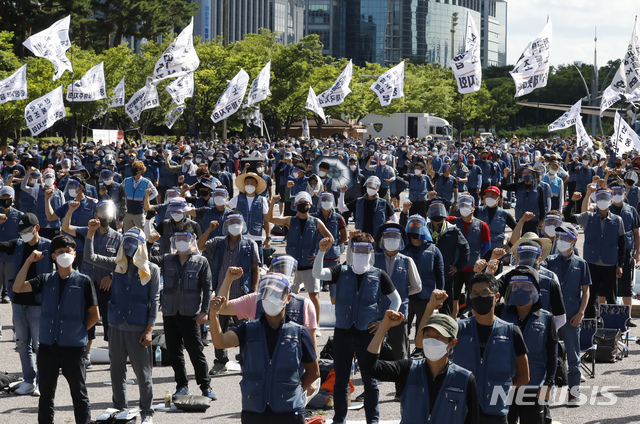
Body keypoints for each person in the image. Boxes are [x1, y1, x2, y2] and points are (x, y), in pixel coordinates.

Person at [313, 233, 402, 424]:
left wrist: (383, 321)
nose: (361, 253)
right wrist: (321, 252)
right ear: (352, 250)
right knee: (341, 381)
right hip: (343, 333)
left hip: (367, 334)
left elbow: (397, 300)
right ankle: (339, 420)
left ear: (371, 252)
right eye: (358, 249)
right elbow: (317, 274)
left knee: (370, 381)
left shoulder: (379, 275)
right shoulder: (341, 271)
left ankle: (373, 420)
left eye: (365, 249)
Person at [417, 276, 530, 424]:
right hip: (460, 410)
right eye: (475, 294)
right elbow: (420, 343)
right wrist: (430, 306)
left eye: (484, 292)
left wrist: (502, 390)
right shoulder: (459, 328)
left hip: (495, 413)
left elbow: (524, 375)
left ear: (496, 297)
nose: (479, 297)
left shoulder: (511, 332)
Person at [209, 273, 320, 423]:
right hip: (254, 410)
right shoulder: (248, 329)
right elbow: (220, 342)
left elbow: (314, 372)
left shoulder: (299, 333)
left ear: (288, 298)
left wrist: (295, 391)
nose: (271, 297)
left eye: (277, 293)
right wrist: (214, 315)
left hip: (289, 412)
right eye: (267, 292)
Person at [13, 235, 99, 424]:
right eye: (60, 252)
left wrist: (78, 331)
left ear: (75, 254)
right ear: (53, 256)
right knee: (45, 398)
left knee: (80, 396)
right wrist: (28, 261)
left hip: (74, 350)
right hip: (48, 349)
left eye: (68, 251)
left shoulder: (84, 281)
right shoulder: (45, 280)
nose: (65, 255)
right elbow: (18, 287)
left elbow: (95, 315)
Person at [84, 226, 160, 424]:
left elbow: (154, 301)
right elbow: (90, 257)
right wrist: (90, 234)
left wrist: (150, 330)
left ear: (141, 246)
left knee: (144, 375)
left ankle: (147, 411)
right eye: (125, 243)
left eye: (132, 244)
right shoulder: (116, 265)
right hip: (116, 327)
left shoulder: (151, 270)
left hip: (139, 329)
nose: (128, 247)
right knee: (117, 373)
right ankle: (119, 407)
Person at [362, 310, 479, 424]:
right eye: (427, 336)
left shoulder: (465, 379)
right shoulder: (408, 369)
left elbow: (473, 420)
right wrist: (384, 327)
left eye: (438, 337)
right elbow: (369, 367)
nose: (431, 341)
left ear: (452, 343)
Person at [198, 213, 261, 374]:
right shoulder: (218, 242)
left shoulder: (250, 244)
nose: (235, 225)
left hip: (242, 295)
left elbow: (255, 268)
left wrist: (254, 290)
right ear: (226, 226)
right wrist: (209, 229)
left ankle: (246, 361)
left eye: (237, 222)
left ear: (243, 224)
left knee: (246, 331)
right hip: (222, 294)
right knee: (219, 329)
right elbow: (199, 246)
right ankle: (220, 361)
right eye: (231, 222)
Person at [214, 257, 318, 350]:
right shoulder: (254, 299)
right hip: (260, 365)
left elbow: (311, 347)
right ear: (269, 273)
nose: (283, 274)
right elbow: (224, 308)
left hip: (290, 366)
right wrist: (228, 280)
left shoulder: (304, 305)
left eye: (289, 271)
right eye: (279, 270)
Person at [63, 200, 122, 362]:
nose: (104, 216)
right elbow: (66, 228)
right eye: (101, 213)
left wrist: (110, 276)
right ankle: (86, 354)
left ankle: (113, 354)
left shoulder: (118, 238)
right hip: (88, 282)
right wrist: (70, 211)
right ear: (95, 215)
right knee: (87, 317)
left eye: (107, 213)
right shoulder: (88, 231)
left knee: (110, 319)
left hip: (106, 285)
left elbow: (122, 262)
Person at [161, 224, 216, 399]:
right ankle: (182, 385)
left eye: (185, 238)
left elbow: (208, 288)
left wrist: (204, 311)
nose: (181, 242)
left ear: (191, 240)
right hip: (170, 313)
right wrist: (148, 242)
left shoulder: (201, 261)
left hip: (191, 313)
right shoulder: (167, 259)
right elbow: (146, 261)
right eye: (178, 239)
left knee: (196, 351)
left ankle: (205, 386)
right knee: (174, 352)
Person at [0, 213, 52, 395]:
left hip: (38, 304)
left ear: (36, 228)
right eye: (21, 232)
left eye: (26, 231)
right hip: (18, 302)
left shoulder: (49, 246)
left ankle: (41, 382)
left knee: (39, 345)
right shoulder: (19, 244)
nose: (23, 235)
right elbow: (2, 246)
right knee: (22, 343)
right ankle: (28, 380)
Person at [501, 266, 558, 424]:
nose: (519, 289)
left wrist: (549, 383)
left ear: (534, 289)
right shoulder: (500, 314)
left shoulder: (547, 319)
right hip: (506, 385)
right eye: (516, 286)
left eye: (524, 285)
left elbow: (553, 354)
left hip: (534, 385)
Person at [268, 191, 334, 326]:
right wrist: (272, 203)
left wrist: (320, 255)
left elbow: (330, 239)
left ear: (310, 204)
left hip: (310, 266)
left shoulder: (316, 222)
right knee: (288, 296)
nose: (302, 205)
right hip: (291, 267)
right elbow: (270, 218)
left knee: (314, 295)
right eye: (300, 203)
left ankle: (315, 325)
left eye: (305, 203)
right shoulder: (289, 220)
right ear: (295, 205)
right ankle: (286, 322)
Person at [542, 224, 591, 407]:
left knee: (573, 356)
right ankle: (545, 393)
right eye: (559, 238)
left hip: (572, 315)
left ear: (574, 241)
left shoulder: (581, 264)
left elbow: (586, 292)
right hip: (551, 316)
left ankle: (574, 394)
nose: (562, 242)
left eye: (566, 239)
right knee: (546, 354)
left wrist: (581, 313)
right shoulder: (549, 261)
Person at [373, 222, 422, 397]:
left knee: (400, 352)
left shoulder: (407, 261)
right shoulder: (374, 258)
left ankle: (401, 390)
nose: (391, 240)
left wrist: (402, 294)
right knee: (372, 351)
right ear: (382, 240)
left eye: (394, 237)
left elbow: (417, 286)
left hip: (400, 314)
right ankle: (371, 390)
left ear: (400, 240)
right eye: (387, 237)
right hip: (377, 313)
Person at [566, 186, 624, 317]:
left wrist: (620, 265)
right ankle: (589, 325)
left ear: (611, 200)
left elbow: (621, 243)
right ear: (596, 200)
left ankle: (611, 327)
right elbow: (567, 217)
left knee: (611, 298)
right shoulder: (588, 216)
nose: (603, 200)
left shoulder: (617, 220)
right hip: (591, 264)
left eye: (606, 197)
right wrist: (572, 201)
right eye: (600, 197)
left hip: (610, 264)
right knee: (590, 298)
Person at [399, 214, 445, 341]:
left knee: (423, 328)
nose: (415, 229)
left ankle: (420, 352)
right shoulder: (402, 249)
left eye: (418, 225)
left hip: (426, 297)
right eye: (412, 225)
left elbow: (440, 274)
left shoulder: (433, 250)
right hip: (406, 296)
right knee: (403, 329)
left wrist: (440, 297)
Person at [448, 194, 491, 318]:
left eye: (467, 205)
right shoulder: (451, 221)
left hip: (473, 267)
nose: (464, 207)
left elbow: (486, 246)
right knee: (454, 296)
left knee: (473, 296)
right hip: (455, 267)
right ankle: (453, 319)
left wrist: (474, 256)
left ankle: (472, 319)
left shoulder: (482, 225)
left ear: (473, 208)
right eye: (461, 204)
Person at [45, 176, 98, 269]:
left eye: (72, 186)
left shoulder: (93, 204)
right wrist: (47, 200)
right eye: (69, 186)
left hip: (84, 248)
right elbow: (50, 217)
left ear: (81, 188)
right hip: (67, 248)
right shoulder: (68, 204)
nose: (70, 189)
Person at [608, 182, 640, 323]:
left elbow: (636, 233)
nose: (617, 195)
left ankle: (627, 317)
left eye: (620, 192)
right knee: (606, 284)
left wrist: (638, 252)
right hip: (608, 251)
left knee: (626, 284)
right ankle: (604, 315)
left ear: (624, 193)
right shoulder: (606, 209)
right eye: (614, 192)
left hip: (626, 251)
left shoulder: (631, 210)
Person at [228, 172, 272, 264]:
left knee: (257, 265)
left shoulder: (262, 200)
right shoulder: (237, 198)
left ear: (256, 185)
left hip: (257, 238)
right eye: (247, 183)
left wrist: (268, 238)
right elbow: (226, 209)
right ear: (244, 185)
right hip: (240, 238)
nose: (249, 185)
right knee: (240, 265)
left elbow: (266, 220)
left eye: (252, 183)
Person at [315, 192, 348, 298]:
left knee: (334, 288)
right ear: (320, 201)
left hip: (334, 257)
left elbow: (344, 237)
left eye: (328, 199)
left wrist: (336, 245)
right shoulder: (314, 217)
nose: (326, 202)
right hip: (318, 256)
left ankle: (335, 310)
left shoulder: (338, 218)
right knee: (316, 288)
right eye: (324, 199)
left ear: (333, 202)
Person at [20, 167, 65, 240]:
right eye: (47, 176)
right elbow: (23, 187)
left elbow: (63, 212)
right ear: (43, 179)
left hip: (55, 225)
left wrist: (62, 227)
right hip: (41, 225)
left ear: (54, 179)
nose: (49, 178)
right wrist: (28, 174)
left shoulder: (60, 193)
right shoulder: (37, 191)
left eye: (51, 176)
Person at [0, 185, 24, 302]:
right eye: (3, 196)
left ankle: (7, 293)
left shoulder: (19, 215)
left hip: (12, 251)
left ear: (13, 198)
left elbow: (23, 233)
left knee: (9, 275)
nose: (5, 198)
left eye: (8, 196)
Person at [122, 160, 158, 232]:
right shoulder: (126, 180)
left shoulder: (146, 182)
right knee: (126, 232)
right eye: (133, 168)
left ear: (141, 170)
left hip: (139, 212)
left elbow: (155, 193)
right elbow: (120, 190)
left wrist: (146, 199)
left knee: (141, 232)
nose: (134, 170)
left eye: (136, 169)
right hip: (127, 212)